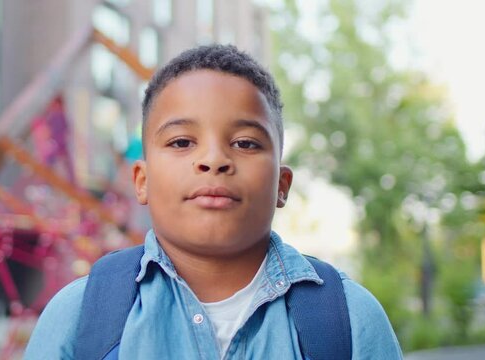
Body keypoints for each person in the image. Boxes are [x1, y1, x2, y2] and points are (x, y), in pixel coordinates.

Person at [24, 44, 403, 359]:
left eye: (245, 143)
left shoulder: (349, 320)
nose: (213, 159)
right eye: (181, 142)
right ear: (142, 181)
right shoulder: (79, 315)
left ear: (282, 185)